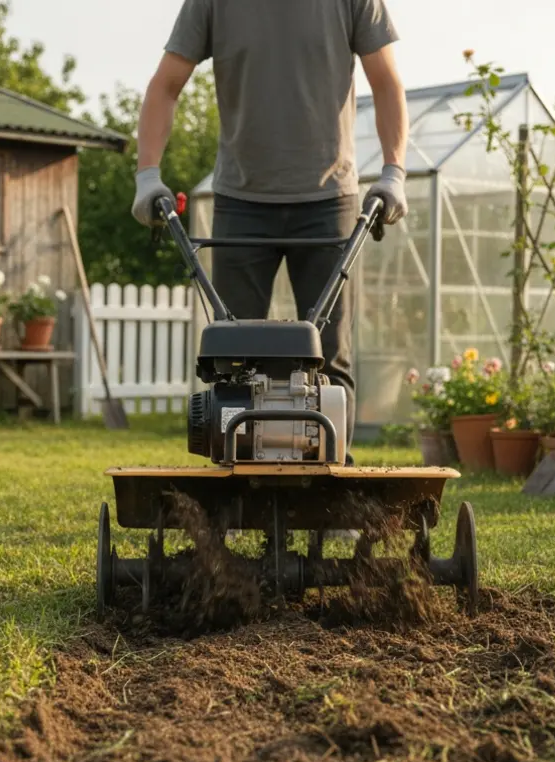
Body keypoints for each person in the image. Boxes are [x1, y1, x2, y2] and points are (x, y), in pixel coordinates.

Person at [130, 0, 409, 465]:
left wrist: (394, 170)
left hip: (329, 202)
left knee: (329, 357)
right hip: (241, 202)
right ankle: (238, 484)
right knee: (232, 356)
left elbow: (385, 81)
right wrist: (147, 174)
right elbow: (166, 84)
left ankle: (332, 484)